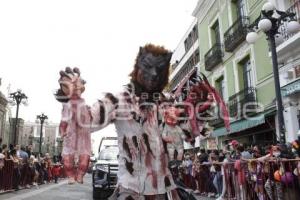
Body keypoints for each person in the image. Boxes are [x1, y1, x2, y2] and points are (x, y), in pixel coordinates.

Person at [55, 44, 227, 199]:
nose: (153, 75)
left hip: (165, 190)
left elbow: (185, 134)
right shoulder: (120, 100)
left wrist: (199, 112)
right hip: (132, 190)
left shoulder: (166, 102)